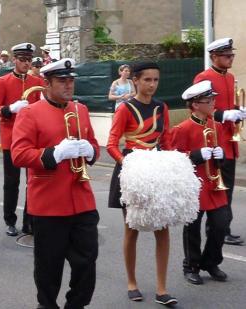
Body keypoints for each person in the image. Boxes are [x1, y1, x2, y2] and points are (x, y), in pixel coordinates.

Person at [12, 58, 100, 309]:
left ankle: (76, 305)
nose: (68, 85)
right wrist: (54, 154)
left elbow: (93, 144)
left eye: (71, 80)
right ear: (46, 84)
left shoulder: (80, 110)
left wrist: (91, 151)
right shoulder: (30, 113)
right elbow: (19, 154)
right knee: (49, 267)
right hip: (49, 203)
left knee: (87, 263)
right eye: (62, 81)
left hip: (82, 201)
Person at [106, 62, 177, 306]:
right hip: (132, 171)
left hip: (156, 171)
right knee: (132, 229)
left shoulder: (161, 107)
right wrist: (127, 164)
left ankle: (161, 288)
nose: (152, 85)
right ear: (135, 80)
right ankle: (132, 282)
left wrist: (172, 163)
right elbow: (112, 143)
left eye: (156, 80)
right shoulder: (125, 108)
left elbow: (166, 140)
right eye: (147, 80)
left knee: (163, 229)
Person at [172, 80, 231, 285]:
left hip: (215, 184)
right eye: (209, 100)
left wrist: (221, 154)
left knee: (221, 225)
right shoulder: (182, 128)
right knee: (193, 228)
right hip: (195, 184)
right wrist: (196, 155)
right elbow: (175, 158)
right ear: (196, 104)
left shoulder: (216, 125)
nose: (214, 102)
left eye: (213, 99)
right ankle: (191, 265)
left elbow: (222, 152)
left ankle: (211, 262)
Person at [193, 38, 246, 246]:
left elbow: (228, 103)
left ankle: (224, 228)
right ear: (214, 57)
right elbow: (199, 108)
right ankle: (216, 230)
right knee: (215, 189)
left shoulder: (230, 77)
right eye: (227, 55)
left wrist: (237, 110)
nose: (231, 58)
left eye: (232, 55)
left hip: (229, 143)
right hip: (213, 141)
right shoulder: (204, 78)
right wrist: (225, 114)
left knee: (228, 190)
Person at [0, 43, 44, 236]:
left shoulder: (36, 82)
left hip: (32, 139)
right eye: (22, 60)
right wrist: (10, 109)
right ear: (15, 60)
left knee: (33, 180)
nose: (26, 63)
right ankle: (10, 220)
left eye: (29, 60)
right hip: (11, 137)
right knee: (11, 182)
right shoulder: (3, 81)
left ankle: (29, 220)